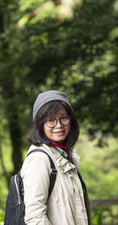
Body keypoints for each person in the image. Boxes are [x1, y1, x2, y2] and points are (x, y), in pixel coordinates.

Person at [21, 90, 91, 225]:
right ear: (40, 124)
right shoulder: (40, 159)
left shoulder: (67, 156)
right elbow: (35, 218)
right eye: (50, 120)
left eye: (64, 118)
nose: (59, 125)